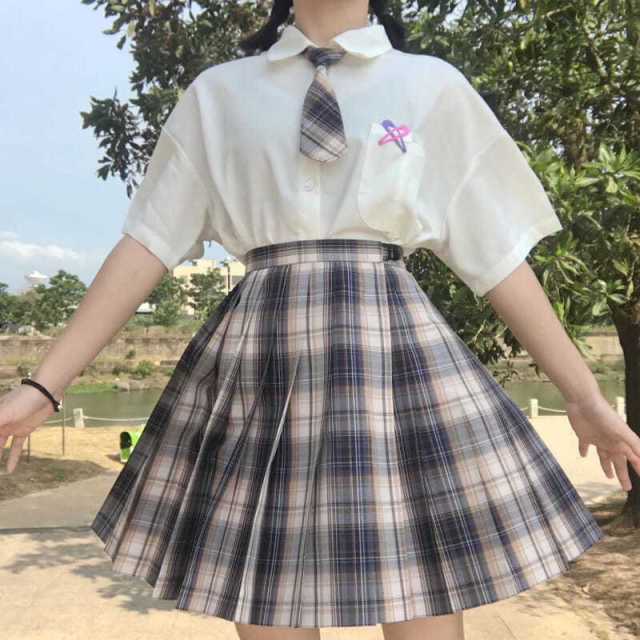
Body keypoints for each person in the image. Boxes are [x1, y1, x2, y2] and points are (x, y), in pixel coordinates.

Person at [2, 1, 640, 639]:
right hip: (262, 366)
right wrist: (42, 387)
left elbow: (496, 254)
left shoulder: (430, 86)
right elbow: (148, 243)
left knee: (421, 591)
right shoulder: (219, 94)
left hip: (391, 364)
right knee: (267, 591)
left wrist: (583, 396)